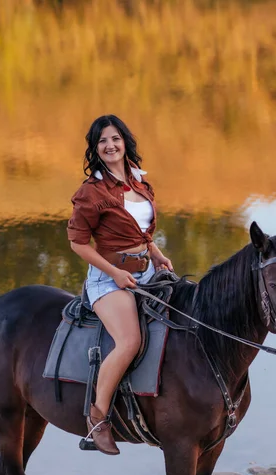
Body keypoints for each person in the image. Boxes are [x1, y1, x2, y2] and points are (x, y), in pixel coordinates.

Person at [67, 115, 173, 456]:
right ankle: (97, 417)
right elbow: (78, 243)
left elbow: (140, 231)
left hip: (145, 271)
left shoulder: (140, 183)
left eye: (115, 138)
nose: (110, 145)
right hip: (108, 277)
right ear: (95, 149)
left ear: (125, 141)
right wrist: (113, 273)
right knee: (129, 341)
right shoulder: (91, 191)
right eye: (102, 141)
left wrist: (155, 252)